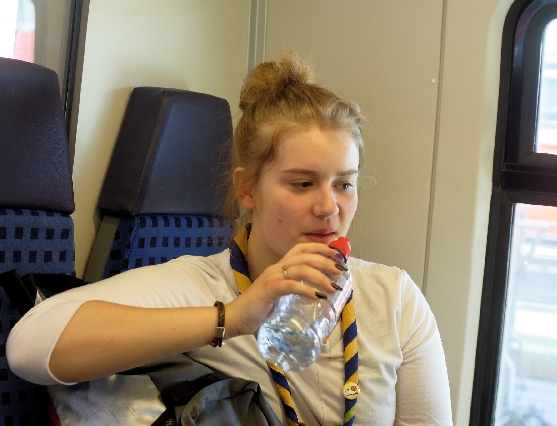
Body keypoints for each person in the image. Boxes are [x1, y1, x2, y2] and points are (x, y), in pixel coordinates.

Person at [7, 51, 453, 425]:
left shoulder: (394, 299)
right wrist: (233, 318)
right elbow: (30, 344)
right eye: (302, 184)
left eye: (344, 184)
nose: (328, 207)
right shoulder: (202, 286)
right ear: (247, 190)